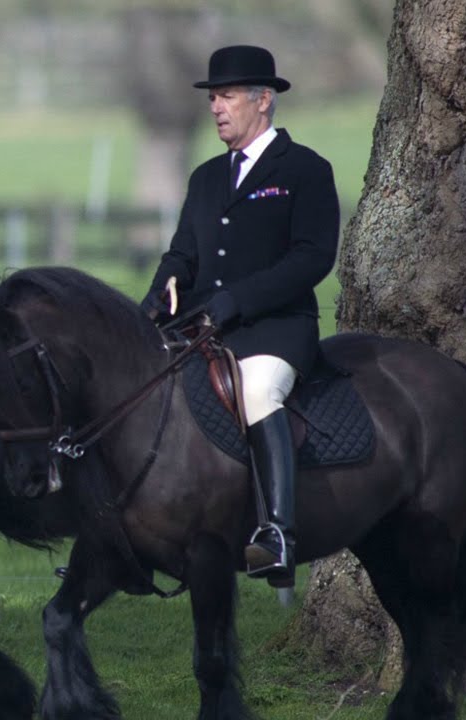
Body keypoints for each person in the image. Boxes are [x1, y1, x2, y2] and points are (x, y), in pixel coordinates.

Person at [141, 46, 339, 585]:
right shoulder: (206, 178)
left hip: (274, 330)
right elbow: (183, 254)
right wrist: (156, 298)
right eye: (212, 98)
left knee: (257, 391)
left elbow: (312, 257)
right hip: (204, 329)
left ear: (264, 99)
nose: (216, 108)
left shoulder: (304, 170)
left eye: (226, 96)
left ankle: (277, 533)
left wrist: (238, 301)